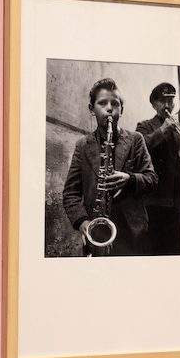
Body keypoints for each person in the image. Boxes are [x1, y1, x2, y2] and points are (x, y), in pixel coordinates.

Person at [63, 78, 157, 256]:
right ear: (92, 109)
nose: (109, 108)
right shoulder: (82, 145)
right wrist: (82, 222)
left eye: (115, 103)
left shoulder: (136, 139)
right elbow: (70, 194)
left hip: (132, 231)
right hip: (97, 230)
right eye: (102, 103)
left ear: (121, 110)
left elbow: (151, 179)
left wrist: (129, 179)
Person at [136, 82, 180, 255]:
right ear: (154, 104)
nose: (167, 106)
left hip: (175, 198)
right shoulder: (144, 126)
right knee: (154, 249)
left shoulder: (179, 127)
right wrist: (163, 129)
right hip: (154, 198)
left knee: (174, 250)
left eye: (170, 101)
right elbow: (140, 148)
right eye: (162, 101)